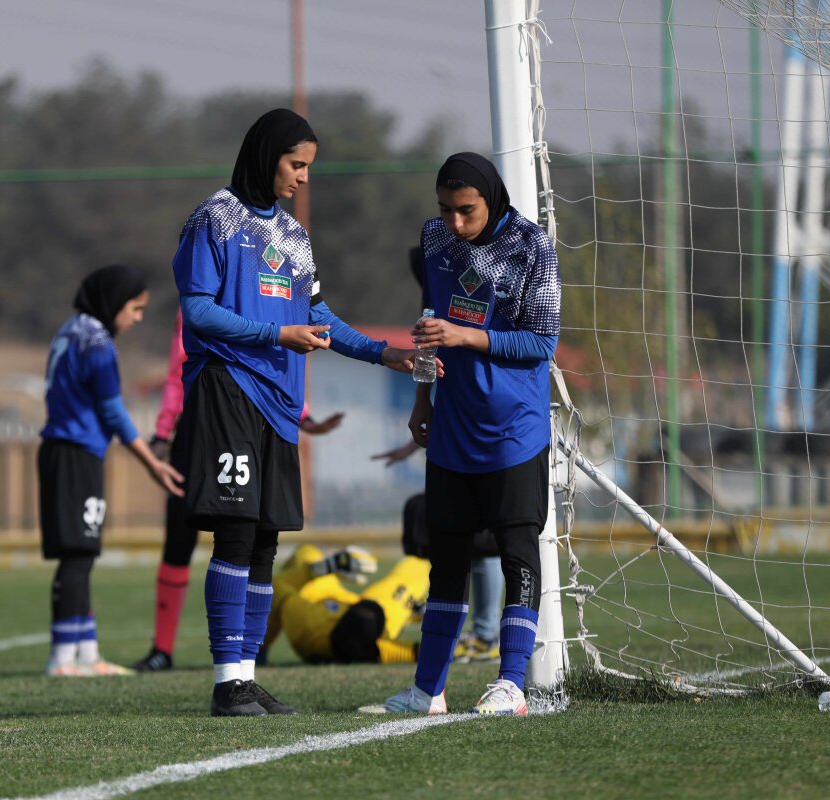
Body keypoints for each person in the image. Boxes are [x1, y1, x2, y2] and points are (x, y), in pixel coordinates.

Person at [170, 108, 422, 716]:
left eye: (308, 166)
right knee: (234, 533)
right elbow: (197, 310)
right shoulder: (214, 218)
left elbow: (319, 317)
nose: (304, 177)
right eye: (296, 164)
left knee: (266, 540)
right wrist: (275, 335)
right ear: (267, 157)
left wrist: (381, 353)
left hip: (279, 403)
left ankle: (246, 675)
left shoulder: (293, 236)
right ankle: (226, 683)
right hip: (229, 387)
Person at [370, 152, 560, 716]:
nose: (455, 222)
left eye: (466, 211)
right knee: (446, 559)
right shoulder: (435, 240)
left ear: (490, 200)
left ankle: (511, 685)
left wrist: (467, 335)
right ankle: (427, 690)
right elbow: (430, 328)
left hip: (514, 430)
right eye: (445, 209)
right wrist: (421, 398)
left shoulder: (532, 246)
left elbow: (541, 343)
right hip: (452, 425)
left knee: (516, 553)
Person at [133, 310, 344, 673]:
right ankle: (163, 650)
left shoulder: (270, 292)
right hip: (201, 423)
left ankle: (246, 653)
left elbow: (282, 358)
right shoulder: (198, 302)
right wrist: (163, 432)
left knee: (252, 536)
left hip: (254, 423)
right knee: (180, 537)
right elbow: (178, 367)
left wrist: (303, 415)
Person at [38, 264, 184, 678]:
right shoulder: (98, 344)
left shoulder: (70, 331)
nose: (138, 318)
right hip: (77, 453)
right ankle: (62, 660)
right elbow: (112, 411)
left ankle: (87, 655)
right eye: (135, 308)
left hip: (62, 451)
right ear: (114, 302)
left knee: (82, 552)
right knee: (78, 554)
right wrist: (152, 463)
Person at [264, 543, 429, 665]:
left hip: (311, 588)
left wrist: (323, 567)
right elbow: (413, 652)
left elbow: (276, 586)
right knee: (415, 570)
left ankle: (259, 646)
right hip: (356, 617)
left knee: (307, 552)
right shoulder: (374, 643)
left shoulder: (306, 625)